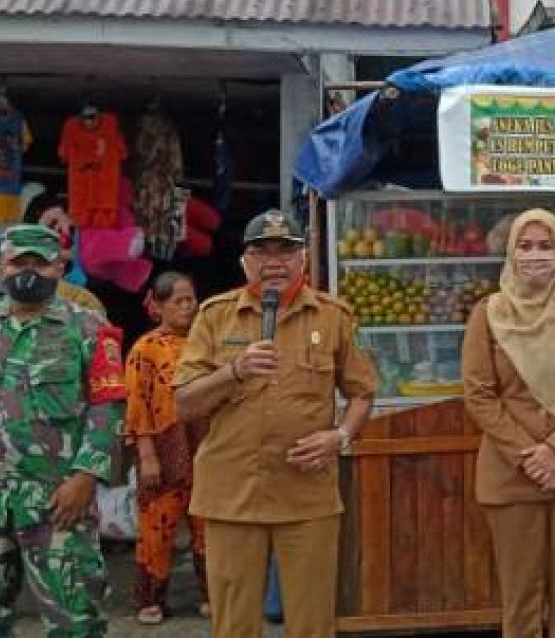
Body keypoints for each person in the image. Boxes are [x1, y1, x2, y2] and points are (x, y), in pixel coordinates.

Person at [173, 209, 376, 638]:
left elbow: (362, 393)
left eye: (286, 251)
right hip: (232, 494)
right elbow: (184, 404)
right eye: (261, 252)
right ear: (245, 262)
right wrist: (234, 371)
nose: (274, 262)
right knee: (234, 624)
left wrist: (339, 436)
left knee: (313, 622)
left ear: (303, 259)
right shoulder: (214, 316)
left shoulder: (333, 316)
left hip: (307, 494)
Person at [462, 208, 555, 638]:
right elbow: (479, 394)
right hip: (512, 475)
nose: (535, 256)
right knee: (521, 600)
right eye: (525, 247)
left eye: (545, 246)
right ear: (510, 253)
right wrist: (529, 455)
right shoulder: (488, 315)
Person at [0, 224, 127, 635]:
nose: (29, 271)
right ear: (3, 265)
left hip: (58, 497)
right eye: (20, 262)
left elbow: (107, 407)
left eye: (41, 263)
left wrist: (85, 477)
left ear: (60, 268)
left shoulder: (88, 327)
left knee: (75, 621)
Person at [124, 272, 208, 624]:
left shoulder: (206, 343)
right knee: (157, 528)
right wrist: (146, 456)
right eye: (178, 301)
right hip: (161, 447)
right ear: (157, 306)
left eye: (191, 299)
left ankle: (212, 595)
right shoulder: (145, 348)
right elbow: (136, 405)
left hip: (204, 445)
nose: (187, 307)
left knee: (208, 526)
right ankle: (150, 599)